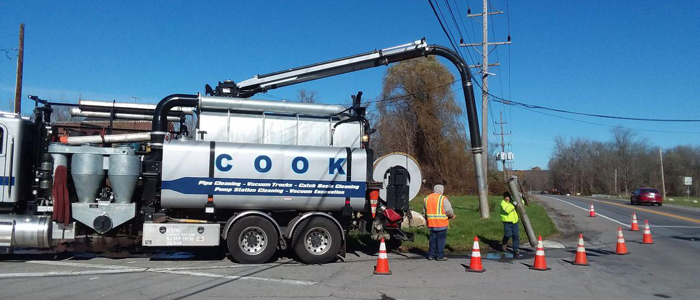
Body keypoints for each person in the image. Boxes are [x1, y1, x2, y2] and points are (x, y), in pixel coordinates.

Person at [422, 184, 456, 261]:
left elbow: (424, 213)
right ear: (441, 190)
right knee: (441, 240)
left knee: (432, 240)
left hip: (431, 223)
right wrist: (451, 216)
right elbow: (449, 211)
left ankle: (431, 255)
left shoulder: (427, 199)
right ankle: (439, 255)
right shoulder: (443, 199)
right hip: (441, 223)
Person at [500, 191, 520, 257]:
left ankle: (515, 249)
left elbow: (520, 204)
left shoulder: (512, 202)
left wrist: (520, 198)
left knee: (516, 235)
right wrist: (513, 205)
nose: (506, 198)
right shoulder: (503, 203)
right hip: (507, 222)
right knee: (508, 235)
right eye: (505, 197)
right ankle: (504, 243)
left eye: (507, 196)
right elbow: (507, 210)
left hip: (514, 222)